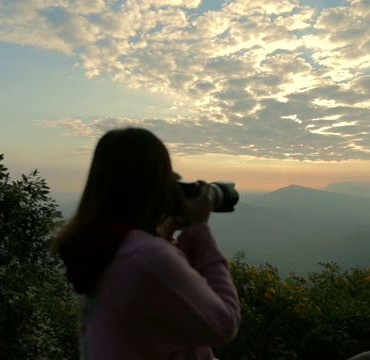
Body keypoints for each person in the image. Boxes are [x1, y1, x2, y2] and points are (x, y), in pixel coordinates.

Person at [55, 127, 240, 359]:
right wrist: (199, 229)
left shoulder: (101, 248)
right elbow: (224, 324)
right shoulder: (147, 257)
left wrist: (164, 234)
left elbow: (159, 294)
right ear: (156, 184)